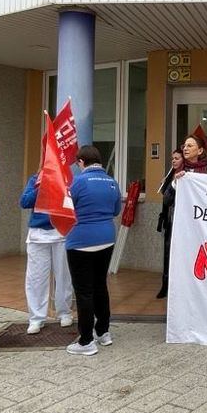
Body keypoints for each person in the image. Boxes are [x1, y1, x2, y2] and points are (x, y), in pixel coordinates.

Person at [65, 145, 122, 356]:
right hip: (107, 237)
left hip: (81, 240)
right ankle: (103, 332)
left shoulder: (78, 182)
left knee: (84, 291)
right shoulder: (112, 182)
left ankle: (86, 341)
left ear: (81, 162)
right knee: (100, 286)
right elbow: (116, 210)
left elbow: (68, 208)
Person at [20, 173, 74, 334]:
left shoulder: (67, 179)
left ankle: (64, 312)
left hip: (61, 232)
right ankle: (36, 317)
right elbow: (24, 202)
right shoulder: (35, 179)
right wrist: (40, 187)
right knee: (36, 278)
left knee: (64, 276)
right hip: (38, 235)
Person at [156, 148, 184, 299]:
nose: (174, 161)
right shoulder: (170, 175)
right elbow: (165, 197)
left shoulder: (184, 176)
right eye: (172, 158)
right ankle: (164, 285)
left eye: (177, 158)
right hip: (169, 219)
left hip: (179, 220)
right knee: (167, 255)